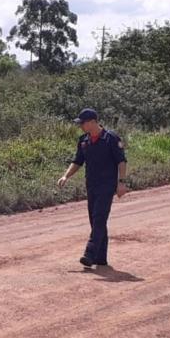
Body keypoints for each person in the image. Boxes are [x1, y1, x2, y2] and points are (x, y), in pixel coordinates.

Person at [57, 108, 128, 270]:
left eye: (82, 123)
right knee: (95, 220)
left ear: (92, 122)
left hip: (107, 185)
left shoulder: (111, 138)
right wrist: (65, 176)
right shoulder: (84, 140)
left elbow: (121, 161)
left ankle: (90, 254)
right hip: (92, 185)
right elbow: (77, 161)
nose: (80, 126)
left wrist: (122, 182)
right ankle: (101, 258)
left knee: (98, 218)